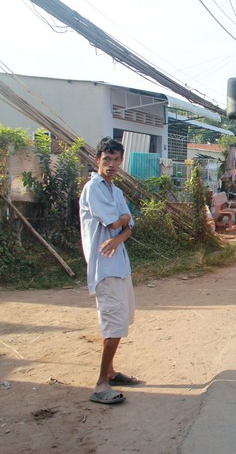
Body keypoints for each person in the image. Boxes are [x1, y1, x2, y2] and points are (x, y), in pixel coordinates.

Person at [79, 137, 140, 405]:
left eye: (116, 160)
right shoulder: (93, 189)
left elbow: (128, 228)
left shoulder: (116, 191)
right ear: (98, 160)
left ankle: (112, 372)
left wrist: (119, 234)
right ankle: (101, 384)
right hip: (104, 268)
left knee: (122, 320)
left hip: (120, 266)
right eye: (107, 160)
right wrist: (122, 225)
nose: (112, 165)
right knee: (113, 326)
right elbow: (117, 222)